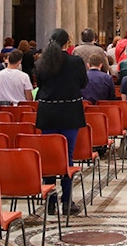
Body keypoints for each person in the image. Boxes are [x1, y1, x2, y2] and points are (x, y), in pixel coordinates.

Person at [34, 28, 88, 215]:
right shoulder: (75, 62)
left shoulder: (42, 62)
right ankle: (67, 202)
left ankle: (50, 201)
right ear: (67, 43)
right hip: (69, 112)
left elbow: (40, 84)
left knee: (50, 156)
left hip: (48, 112)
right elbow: (83, 83)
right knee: (67, 156)